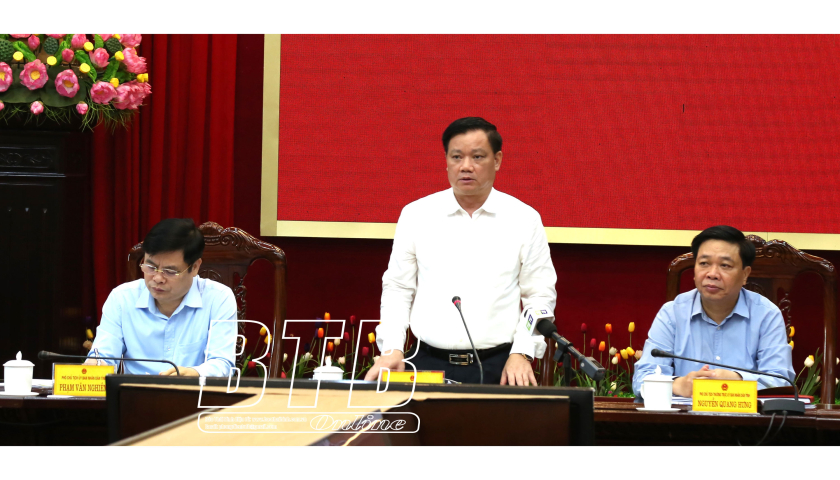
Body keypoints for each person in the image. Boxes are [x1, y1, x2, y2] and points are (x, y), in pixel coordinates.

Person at [364, 117, 557, 386]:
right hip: (426, 362)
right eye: (456, 157)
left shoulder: (523, 219)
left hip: (499, 366)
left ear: (497, 160)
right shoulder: (416, 215)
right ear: (446, 161)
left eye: (477, 157)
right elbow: (398, 288)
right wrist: (392, 347)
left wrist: (522, 352)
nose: (466, 166)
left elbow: (539, 295)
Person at [633, 225, 794, 398]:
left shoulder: (766, 315)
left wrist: (738, 380)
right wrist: (678, 385)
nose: (712, 274)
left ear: (745, 275)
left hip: (746, 414)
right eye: (704, 263)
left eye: (725, 265)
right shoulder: (672, 313)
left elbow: (781, 381)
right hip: (685, 414)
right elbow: (642, 379)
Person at [85, 218, 237, 376]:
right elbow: (103, 355)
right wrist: (96, 365)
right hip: (135, 391)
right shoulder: (122, 298)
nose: (157, 278)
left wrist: (194, 374)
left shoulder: (218, 299)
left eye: (170, 271)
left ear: (195, 267)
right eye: (150, 267)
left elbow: (222, 363)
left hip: (192, 390)